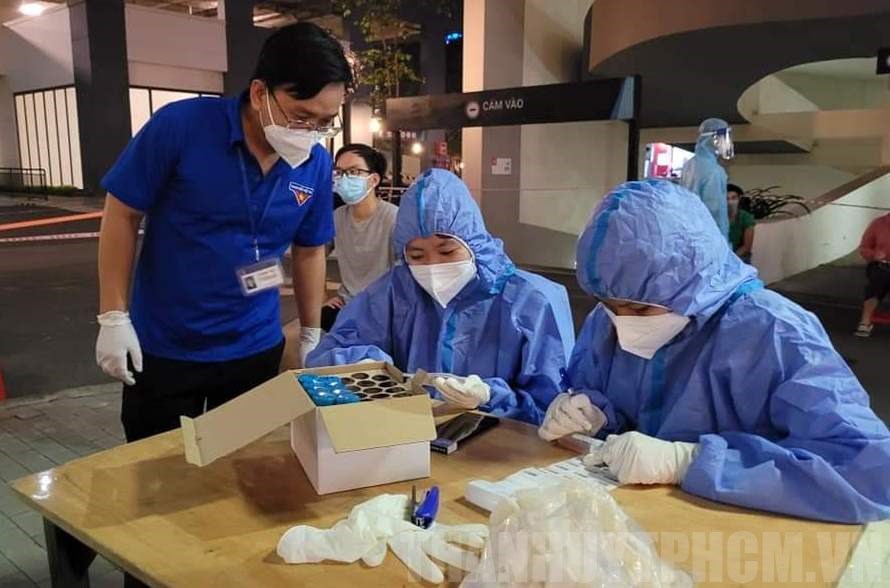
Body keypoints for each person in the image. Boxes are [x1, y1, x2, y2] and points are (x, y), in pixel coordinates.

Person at [538, 179, 890, 524]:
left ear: (689, 278)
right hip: (630, 520)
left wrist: (689, 461)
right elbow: (613, 401)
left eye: (641, 309)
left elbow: (867, 471)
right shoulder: (606, 321)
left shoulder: (774, 332)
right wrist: (593, 414)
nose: (623, 323)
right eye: (609, 305)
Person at [96, 23, 352, 442]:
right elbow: (121, 214)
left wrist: (310, 332)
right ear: (260, 93)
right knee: (159, 469)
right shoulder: (181, 128)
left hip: (254, 349)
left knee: (236, 467)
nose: (310, 132)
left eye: (325, 122)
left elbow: (309, 250)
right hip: (166, 347)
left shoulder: (315, 164)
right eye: (301, 116)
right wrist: (113, 315)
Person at [307, 169, 575, 425]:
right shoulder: (396, 290)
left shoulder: (532, 301)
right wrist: (361, 365)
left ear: (473, 242)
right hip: (411, 438)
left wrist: (490, 397)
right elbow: (327, 355)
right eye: (417, 255)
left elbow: (553, 408)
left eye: (447, 252)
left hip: (502, 447)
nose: (433, 266)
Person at [322, 144, 398, 331]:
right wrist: (323, 297)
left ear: (374, 180)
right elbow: (315, 256)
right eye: (339, 172)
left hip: (384, 306)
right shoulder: (337, 217)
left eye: (353, 171)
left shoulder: (394, 217)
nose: (344, 178)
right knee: (325, 318)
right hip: (347, 303)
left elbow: (404, 271)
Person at [680, 117, 734, 239]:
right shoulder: (714, 171)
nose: (726, 142)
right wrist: (722, 242)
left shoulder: (688, 165)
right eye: (724, 137)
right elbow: (715, 212)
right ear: (714, 139)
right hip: (708, 237)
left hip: (688, 233)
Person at [855, 213, 890, 337]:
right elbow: (864, 247)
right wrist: (874, 255)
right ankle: (865, 321)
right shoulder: (878, 223)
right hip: (882, 265)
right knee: (877, 280)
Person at [727, 183, 755, 263]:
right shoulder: (718, 217)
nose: (730, 202)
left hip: (740, 257)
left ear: (739, 199)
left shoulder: (745, 217)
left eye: (733, 198)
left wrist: (730, 259)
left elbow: (746, 247)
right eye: (727, 198)